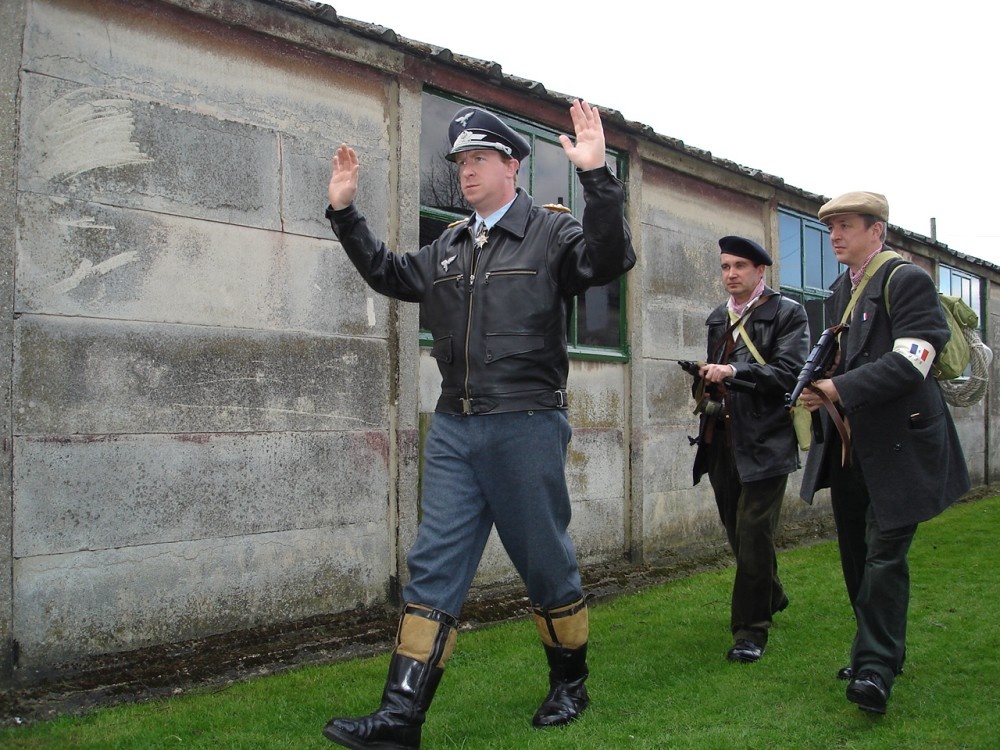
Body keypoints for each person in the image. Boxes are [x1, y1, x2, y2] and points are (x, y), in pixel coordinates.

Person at [320, 99, 635, 748]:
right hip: (457, 430)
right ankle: (400, 718)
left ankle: (569, 682)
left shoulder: (552, 234)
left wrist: (599, 178)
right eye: (460, 161)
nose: (466, 170)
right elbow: (387, 272)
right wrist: (346, 215)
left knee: (545, 563)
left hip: (525, 425)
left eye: (479, 158)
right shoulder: (450, 247)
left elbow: (608, 261)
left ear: (512, 166)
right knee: (433, 565)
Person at [798, 191, 970, 714]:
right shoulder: (837, 292)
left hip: (901, 444)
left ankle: (874, 671)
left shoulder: (905, 279)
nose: (836, 237)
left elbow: (912, 361)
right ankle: (876, 650)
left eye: (846, 226)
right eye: (831, 229)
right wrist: (817, 384)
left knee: (883, 557)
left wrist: (836, 389)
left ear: (878, 231)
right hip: (852, 448)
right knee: (856, 555)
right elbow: (847, 358)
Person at [691, 236, 809, 664]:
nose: (731, 274)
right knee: (736, 531)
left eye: (740, 266)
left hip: (766, 442)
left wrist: (735, 369)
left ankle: (750, 628)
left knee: (754, 534)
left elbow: (791, 373)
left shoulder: (788, 313)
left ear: (761, 271)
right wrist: (706, 376)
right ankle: (771, 592)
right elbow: (720, 376)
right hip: (721, 441)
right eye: (724, 267)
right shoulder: (716, 318)